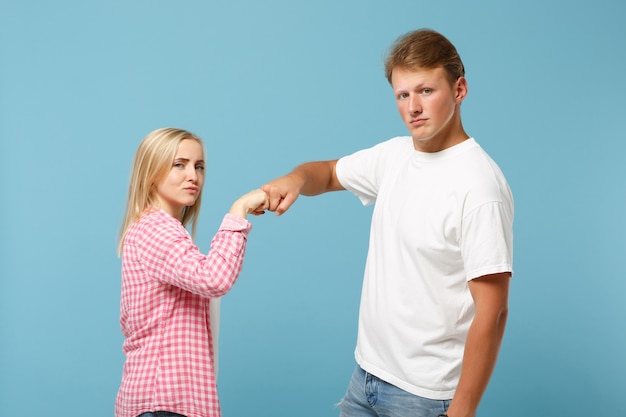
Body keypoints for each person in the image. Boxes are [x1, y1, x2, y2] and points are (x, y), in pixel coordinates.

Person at [261, 29, 513, 417]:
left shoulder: (479, 186)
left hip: (424, 396)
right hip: (366, 377)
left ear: (459, 89)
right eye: (402, 94)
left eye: (426, 91)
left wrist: (461, 411)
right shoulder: (394, 157)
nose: (413, 106)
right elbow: (327, 173)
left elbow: (493, 311)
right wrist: (295, 179)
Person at [115, 127, 268, 417]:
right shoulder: (155, 230)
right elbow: (214, 279)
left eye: (199, 166)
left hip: (162, 403)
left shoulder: (159, 230)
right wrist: (239, 210)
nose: (193, 176)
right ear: (151, 172)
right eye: (179, 164)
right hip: (163, 404)